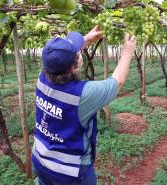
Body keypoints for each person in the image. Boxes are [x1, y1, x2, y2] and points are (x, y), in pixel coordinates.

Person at [32, 26, 136, 185]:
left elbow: (57, 60)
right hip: (71, 172)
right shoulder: (83, 95)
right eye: (77, 53)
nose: (80, 53)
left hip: (41, 161)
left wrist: (85, 39)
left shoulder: (42, 78)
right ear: (74, 67)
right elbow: (118, 81)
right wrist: (128, 52)